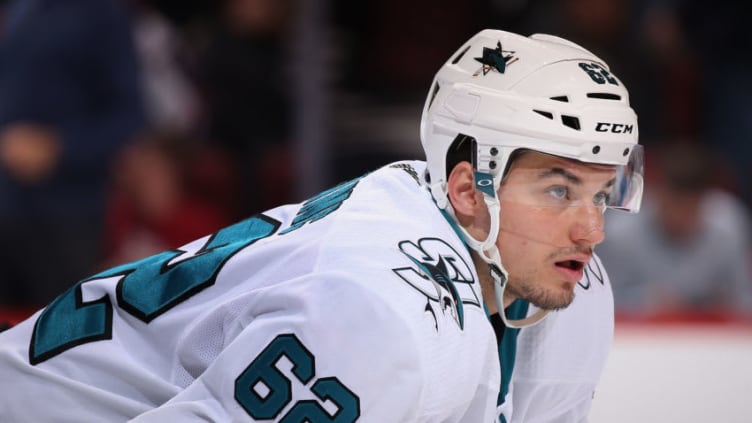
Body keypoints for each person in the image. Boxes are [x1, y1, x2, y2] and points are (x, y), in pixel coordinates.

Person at [0, 29, 643, 422]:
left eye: (601, 192)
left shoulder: (567, 288)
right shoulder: (374, 311)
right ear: (466, 192)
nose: (592, 231)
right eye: (559, 190)